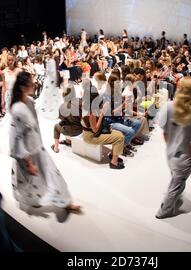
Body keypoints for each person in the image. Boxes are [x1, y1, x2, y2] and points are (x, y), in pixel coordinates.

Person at [9, 71, 81, 213]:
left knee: (52, 175)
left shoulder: (29, 102)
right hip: (27, 155)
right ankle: (36, 200)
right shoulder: (17, 109)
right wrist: (28, 162)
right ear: (23, 87)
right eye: (31, 83)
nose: (34, 84)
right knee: (34, 182)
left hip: (38, 149)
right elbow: (16, 138)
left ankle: (65, 203)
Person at [155, 77, 191, 219]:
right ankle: (163, 211)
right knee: (175, 185)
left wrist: (171, 146)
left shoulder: (168, 106)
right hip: (185, 157)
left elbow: (164, 132)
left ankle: (175, 197)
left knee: (176, 180)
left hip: (170, 153)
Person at [80, 87, 125, 169]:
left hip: (90, 132)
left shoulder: (85, 105)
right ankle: (114, 163)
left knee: (119, 134)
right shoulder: (91, 112)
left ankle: (113, 154)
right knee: (120, 137)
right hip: (91, 136)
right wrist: (102, 114)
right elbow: (95, 129)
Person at [51, 85, 83, 153]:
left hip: (73, 131)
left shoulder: (62, 107)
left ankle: (56, 148)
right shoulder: (80, 101)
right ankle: (68, 141)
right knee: (66, 122)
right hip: (81, 128)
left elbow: (62, 119)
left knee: (57, 126)